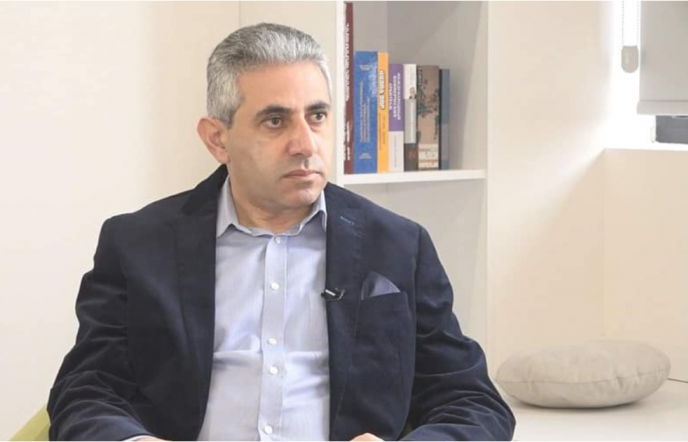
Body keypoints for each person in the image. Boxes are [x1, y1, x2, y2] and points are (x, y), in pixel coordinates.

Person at [47, 23, 515, 441]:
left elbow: (472, 402)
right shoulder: (138, 245)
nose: (305, 144)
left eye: (318, 116)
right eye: (275, 121)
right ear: (217, 139)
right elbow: (85, 391)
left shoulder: (397, 246)